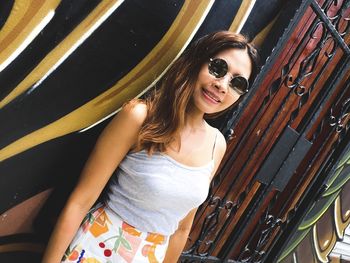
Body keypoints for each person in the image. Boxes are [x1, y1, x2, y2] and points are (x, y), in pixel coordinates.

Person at [42, 31, 259, 263]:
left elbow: (181, 230)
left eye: (237, 82)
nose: (222, 85)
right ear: (196, 62)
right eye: (218, 68)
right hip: (98, 248)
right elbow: (80, 200)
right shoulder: (139, 116)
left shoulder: (217, 144)